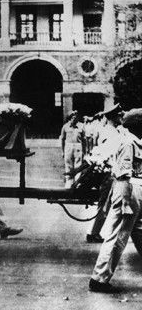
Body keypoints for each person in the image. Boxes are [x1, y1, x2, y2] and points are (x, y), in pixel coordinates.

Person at [89, 108, 142, 293]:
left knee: (139, 231)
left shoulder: (135, 141)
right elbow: (124, 173)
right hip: (128, 190)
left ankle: (100, 277)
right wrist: (126, 201)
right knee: (118, 235)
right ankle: (99, 278)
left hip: (135, 190)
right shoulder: (128, 142)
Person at [86, 104, 127, 243]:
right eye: (119, 115)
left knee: (109, 204)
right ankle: (94, 233)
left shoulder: (111, 131)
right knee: (105, 205)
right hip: (109, 173)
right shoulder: (111, 133)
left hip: (110, 172)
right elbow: (107, 154)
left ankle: (96, 232)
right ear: (113, 117)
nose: (121, 117)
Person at [61, 110, 84, 188]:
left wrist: (85, 150)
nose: (74, 119)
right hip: (68, 146)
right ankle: (69, 182)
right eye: (72, 117)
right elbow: (62, 139)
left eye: (75, 117)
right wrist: (62, 151)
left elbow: (84, 140)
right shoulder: (65, 126)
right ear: (69, 118)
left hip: (78, 146)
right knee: (68, 164)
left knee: (78, 165)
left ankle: (77, 182)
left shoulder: (81, 126)